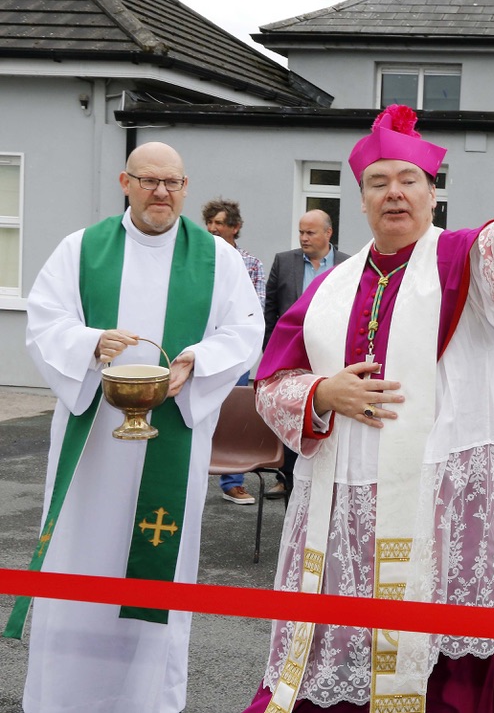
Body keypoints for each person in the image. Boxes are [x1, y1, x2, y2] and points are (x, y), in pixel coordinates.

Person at [242, 54, 494, 713]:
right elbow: (272, 382)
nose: (394, 192)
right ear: (359, 200)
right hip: (344, 512)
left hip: (439, 505)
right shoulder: (329, 287)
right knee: (337, 669)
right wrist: (321, 395)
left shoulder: (465, 260)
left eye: (408, 180)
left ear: (431, 192)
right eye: (378, 182)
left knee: (438, 669)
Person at [8, 142, 264, 713]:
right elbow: (45, 321)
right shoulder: (82, 249)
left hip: (171, 434)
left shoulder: (218, 259)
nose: (161, 192)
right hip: (93, 444)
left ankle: (144, 700)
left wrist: (196, 360)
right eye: (149, 180)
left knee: (157, 571)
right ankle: (64, 699)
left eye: (172, 182)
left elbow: (246, 329)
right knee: (81, 558)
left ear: (186, 187)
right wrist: (90, 342)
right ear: (126, 183)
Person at [262, 209, 348, 496]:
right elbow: (271, 312)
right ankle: (288, 482)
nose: (304, 238)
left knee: (328, 418)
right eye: (301, 232)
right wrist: (271, 353)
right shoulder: (284, 262)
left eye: (310, 232)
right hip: (292, 358)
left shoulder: (348, 265)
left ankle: (328, 482)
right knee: (292, 415)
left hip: (331, 360)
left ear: (328, 233)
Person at [203, 196, 267, 504]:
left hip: (234, 349)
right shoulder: (197, 258)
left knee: (232, 412)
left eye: (219, 223)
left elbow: (255, 310)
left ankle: (232, 482)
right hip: (198, 347)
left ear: (235, 227)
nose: (212, 228)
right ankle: (189, 473)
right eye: (209, 222)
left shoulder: (251, 264)